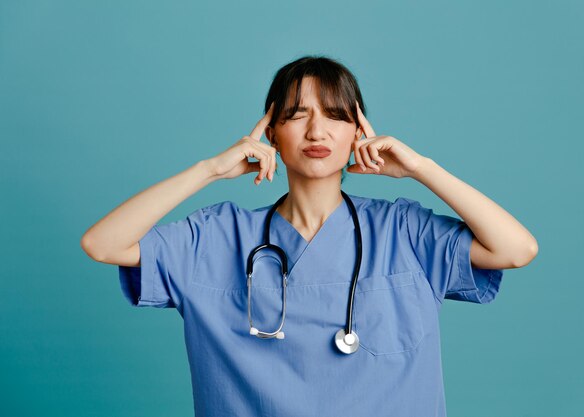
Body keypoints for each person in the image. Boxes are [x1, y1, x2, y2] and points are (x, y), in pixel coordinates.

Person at [81, 55, 538, 417]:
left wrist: (421, 170)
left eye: (335, 116)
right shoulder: (217, 237)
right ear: (272, 133)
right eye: (297, 115)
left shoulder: (404, 231)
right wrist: (209, 170)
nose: (317, 131)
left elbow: (516, 249)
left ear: (359, 133)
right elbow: (103, 244)